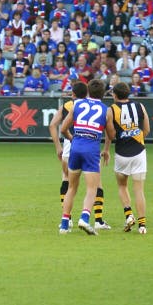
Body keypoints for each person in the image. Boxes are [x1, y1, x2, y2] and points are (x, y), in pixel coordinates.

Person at [50, 81, 111, 229]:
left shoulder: (72, 105)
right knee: (93, 187)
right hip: (91, 149)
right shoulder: (105, 109)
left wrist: (70, 141)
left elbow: (58, 127)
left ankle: (65, 223)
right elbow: (111, 133)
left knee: (70, 186)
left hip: (73, 148)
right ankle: (90, 218)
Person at [103, 82, 149, 234]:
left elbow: (111, 135)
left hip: (122, 153)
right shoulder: (140, 106)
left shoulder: (111, 110)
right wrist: (136, 137)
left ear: (115, 95)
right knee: (139, 190)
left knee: (122, 186)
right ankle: (142, 226)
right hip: (139, 152)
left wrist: (107, 148)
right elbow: (147, 129)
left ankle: (129, 215)